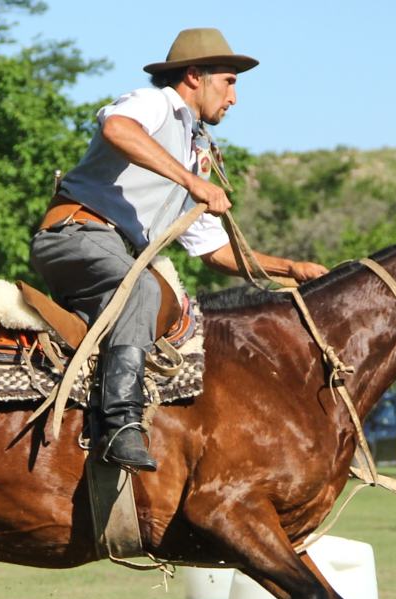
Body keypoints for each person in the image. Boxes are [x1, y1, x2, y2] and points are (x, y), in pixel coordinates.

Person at [32, 28, 329, 473]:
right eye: (228, 81)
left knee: (174, 311)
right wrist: (191, 182)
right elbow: (116, 127)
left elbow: (213, 251)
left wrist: (292, 268)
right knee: (145, 291)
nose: (234, 97)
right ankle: (119, 427)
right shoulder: (156, 103)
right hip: (74, 234)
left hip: (113, 250)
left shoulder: (195, 151)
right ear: (195, 76)